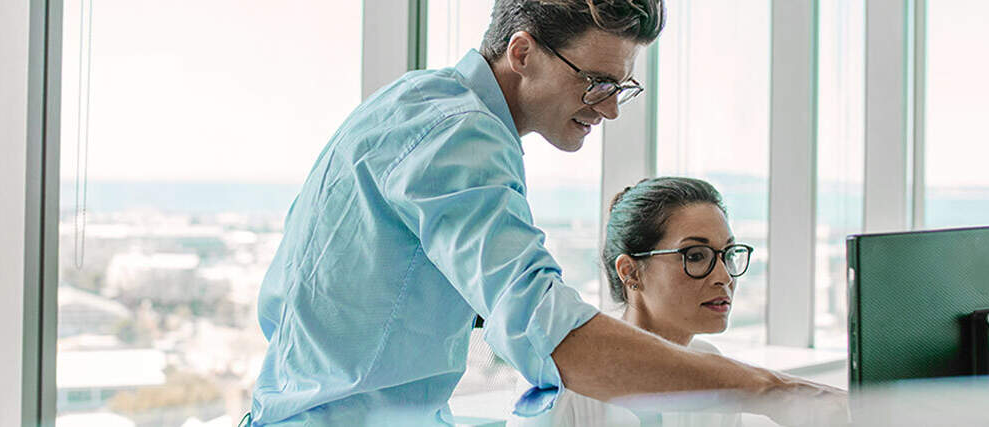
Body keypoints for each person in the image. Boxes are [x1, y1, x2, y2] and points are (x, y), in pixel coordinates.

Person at [248, 0, 846, 425]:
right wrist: (775, 392)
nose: (609, 110)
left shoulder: (414, 103)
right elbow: (552, 334)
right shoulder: (459, 135)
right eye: (596, 82)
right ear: (523, 51)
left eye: (620, 88)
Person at [523, 177, 755, 427]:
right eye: (696, 256)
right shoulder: (563, 382)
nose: (724, 277)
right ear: (630, 272)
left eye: (728, 255)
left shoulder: (712, 368)